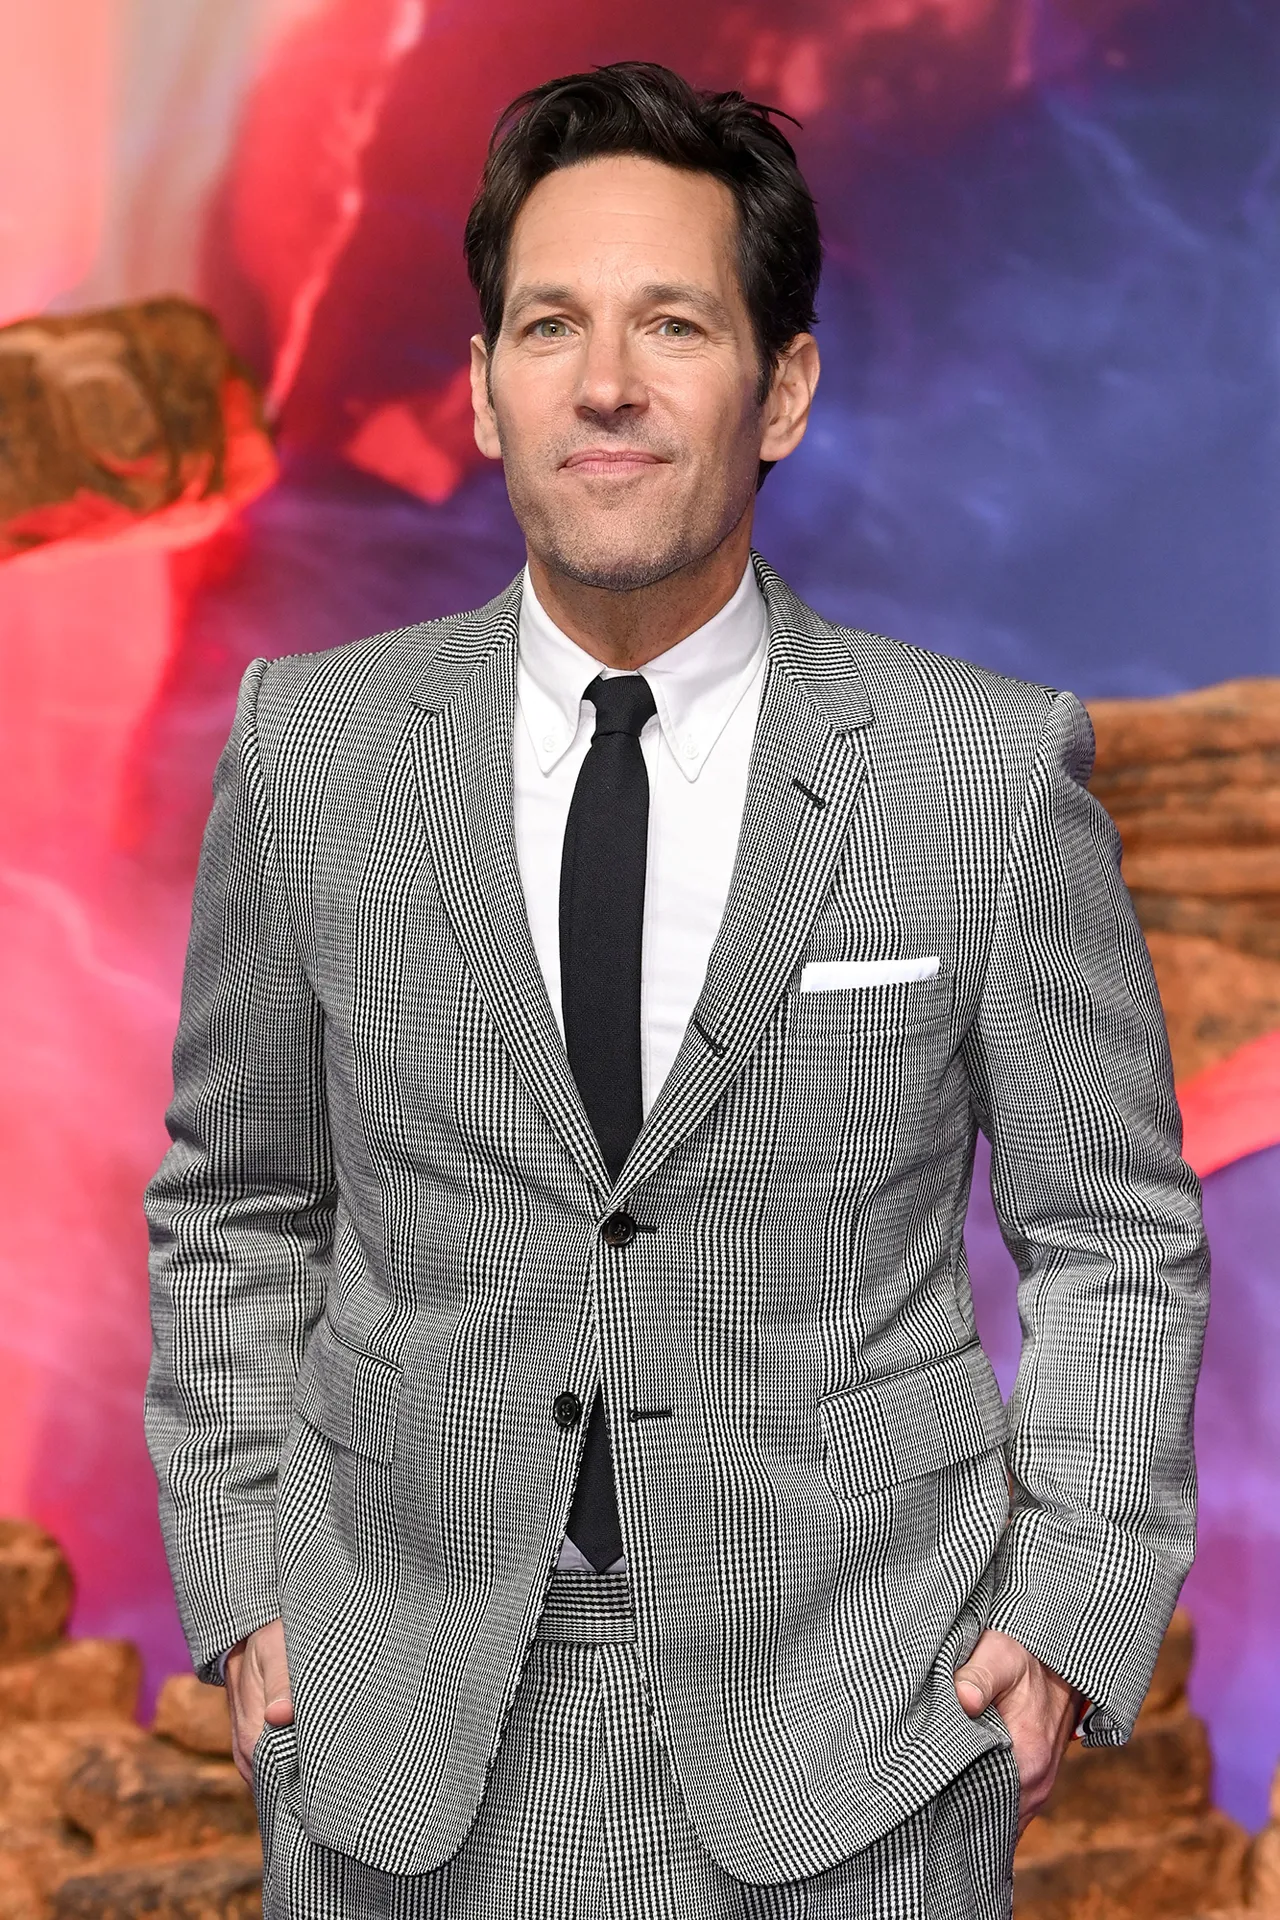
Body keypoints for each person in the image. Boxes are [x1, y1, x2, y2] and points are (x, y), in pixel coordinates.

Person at [144, 60, 1208, 1920]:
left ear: (781, 388)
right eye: (549, 325)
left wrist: (1067, 1611)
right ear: (485, 387)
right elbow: (234, 1204)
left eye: (674, 324)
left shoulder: (978, 773)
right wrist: (242, 1586)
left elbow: (1112, 1229)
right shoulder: (312, 752)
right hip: (395, 1733)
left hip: (865, 1740)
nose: (607, 382)